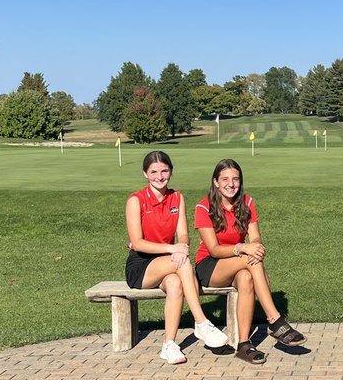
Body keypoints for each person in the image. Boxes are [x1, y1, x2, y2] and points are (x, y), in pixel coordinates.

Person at [194, 159, 305, 365]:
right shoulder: (204, 206)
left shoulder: (247, 202)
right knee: (249, 260)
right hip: (210, 265)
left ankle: (243, 345)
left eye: (235, 179)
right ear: (215, 182)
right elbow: (214, 250)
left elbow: (255, 238)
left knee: (246, 277)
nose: (231, 184)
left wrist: (256, 247)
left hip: (240, 262)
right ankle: (274, 320)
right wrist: (242, 248)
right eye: (225, 179)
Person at [125, 150, 230, 365]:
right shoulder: (136, 200)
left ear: (171, 172)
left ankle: (169, 345)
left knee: (174, 284)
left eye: (164, 170)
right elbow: (137, 242)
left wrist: (181, 246)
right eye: (154, 171)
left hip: (170, 262)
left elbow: (183, 233)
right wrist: (174, 249)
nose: (160, 176)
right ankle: (201, 322)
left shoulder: (177, 197)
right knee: (182, 262)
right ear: (145, 173)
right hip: (141, 265)